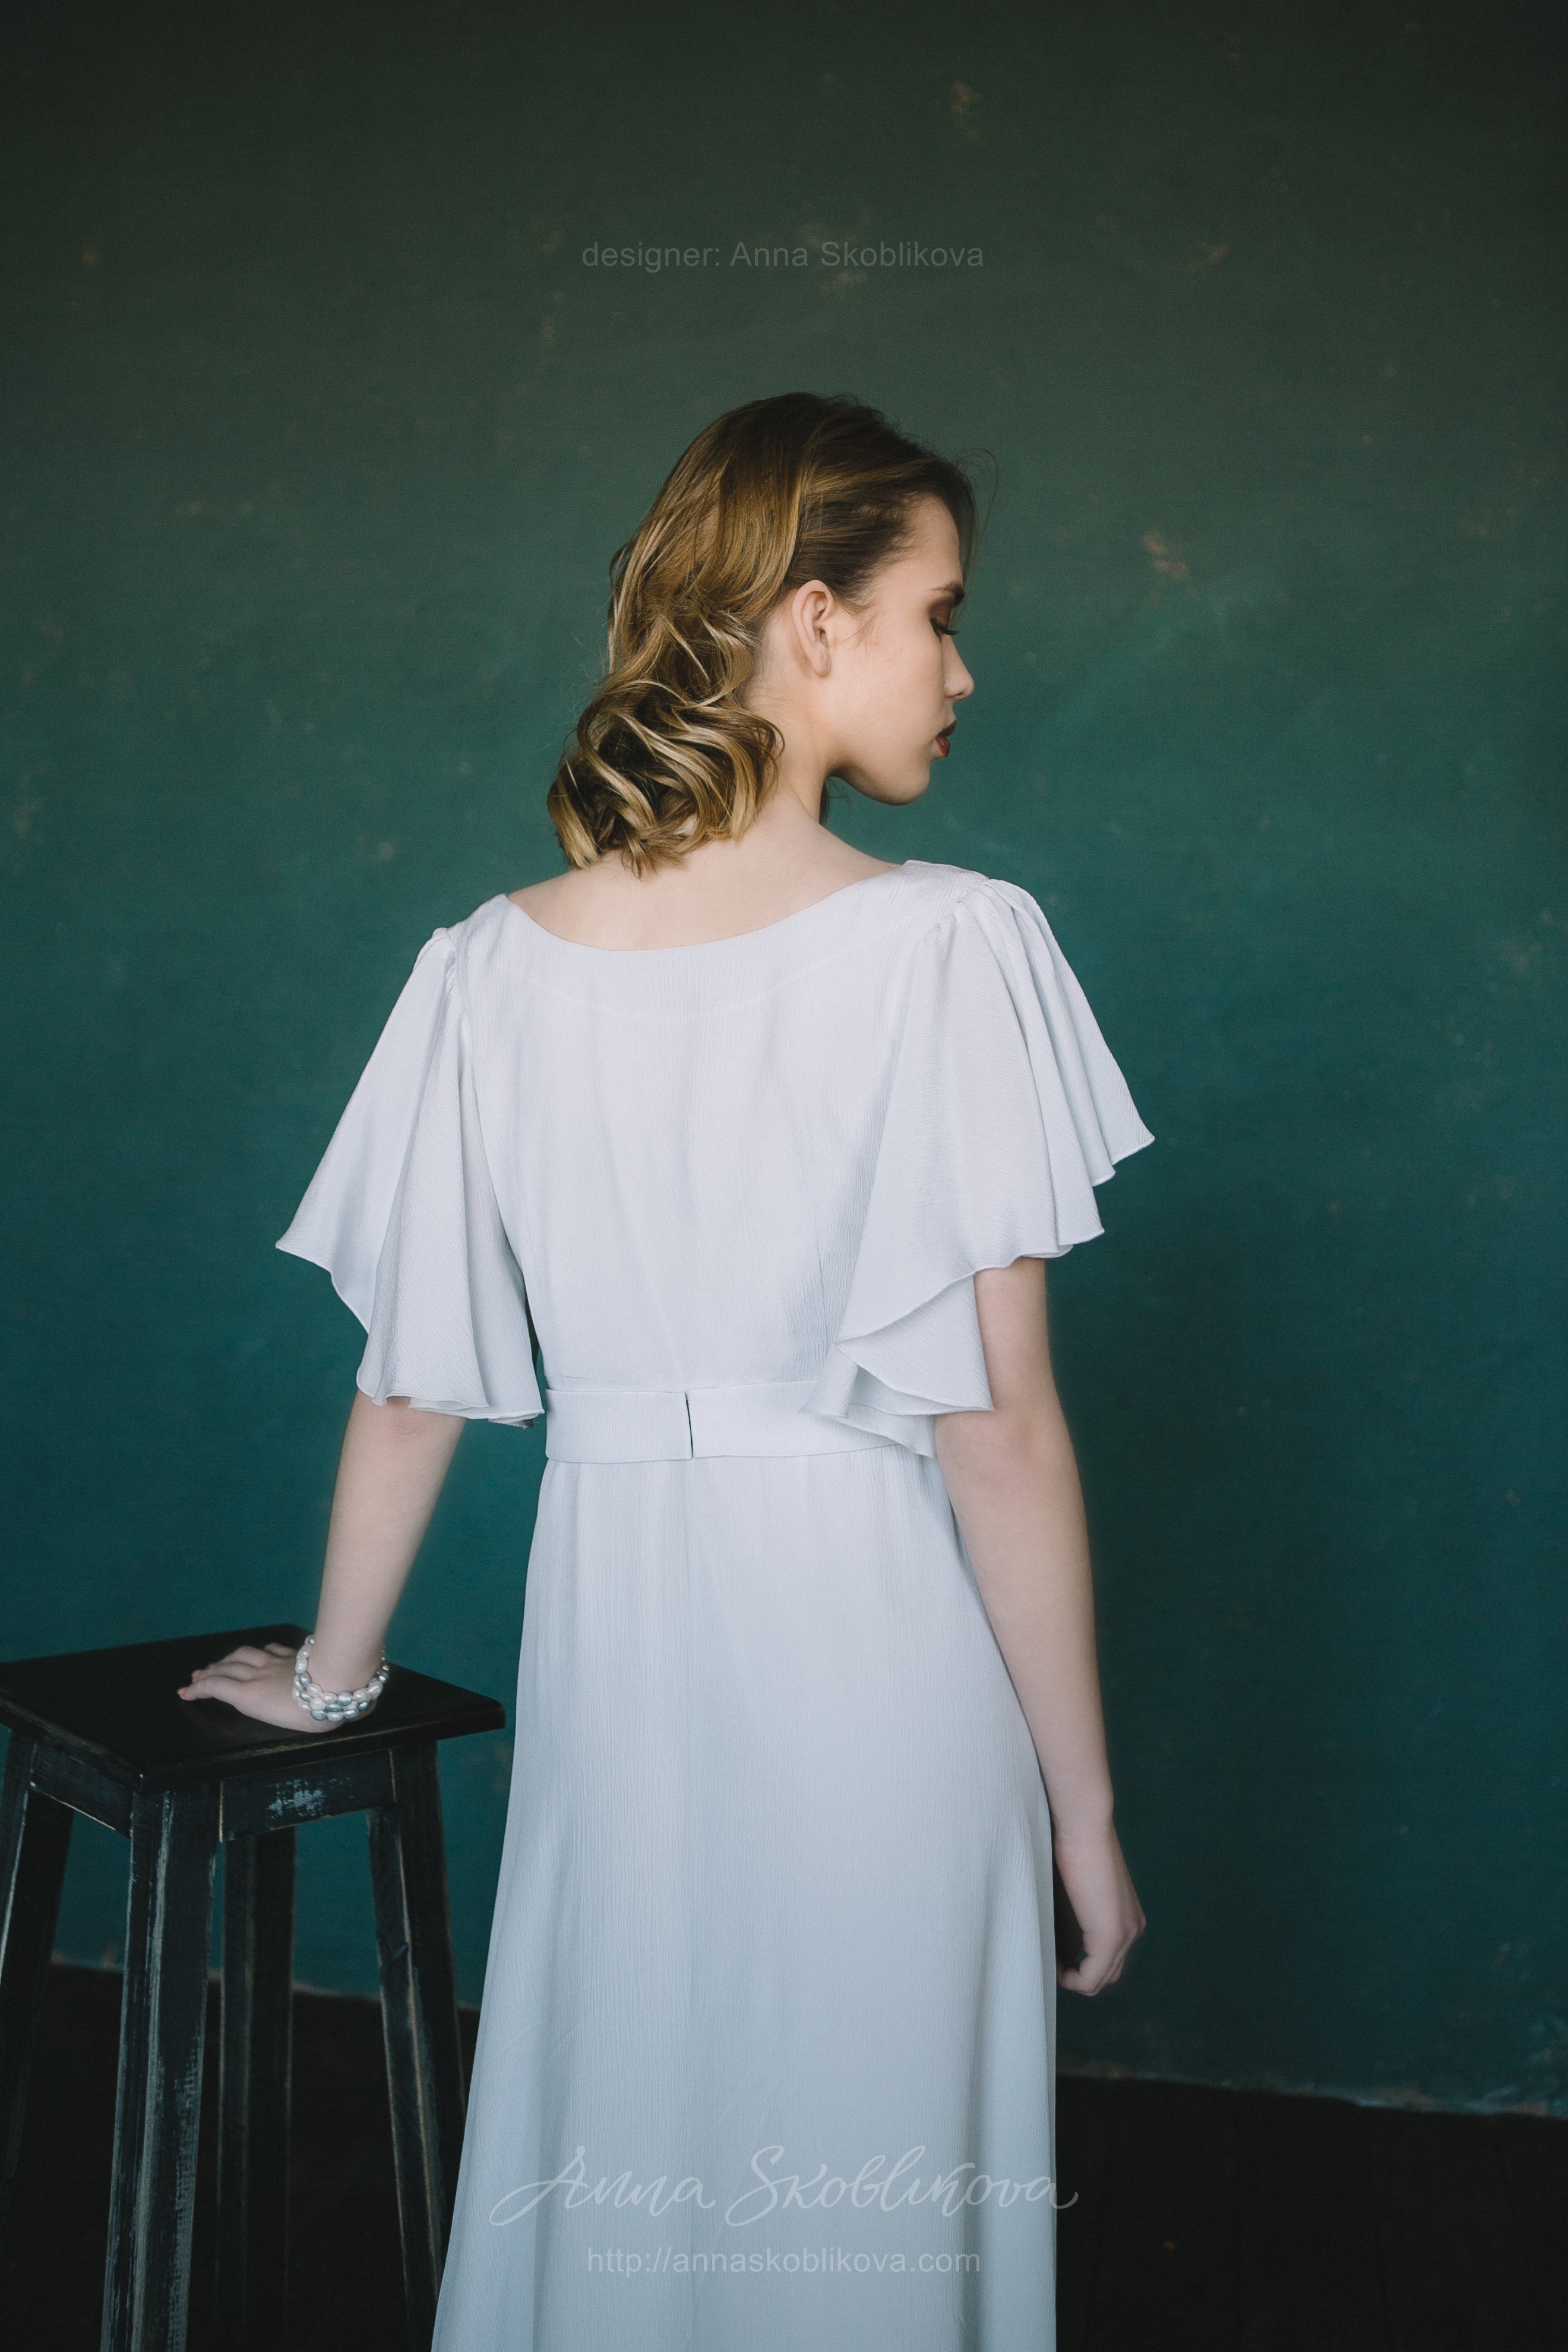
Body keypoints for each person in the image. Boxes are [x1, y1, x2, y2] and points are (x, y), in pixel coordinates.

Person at [178, 391, 1153, 2348]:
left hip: (619, 1664)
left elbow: (413, 1383)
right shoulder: (955, 948)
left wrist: (335, 1675)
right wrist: (1085, 1817)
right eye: (942, 615)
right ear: (815, 620)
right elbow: (996, 1430)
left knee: (631, 2162)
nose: (964, 671)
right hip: (878, 1660)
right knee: (868, 2200)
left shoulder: (488, 965)